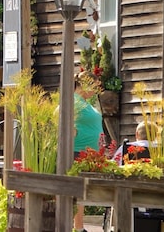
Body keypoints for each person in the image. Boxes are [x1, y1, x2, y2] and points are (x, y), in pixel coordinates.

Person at [73, 72, 104, 232]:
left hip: (88, 153)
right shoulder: (73, 100)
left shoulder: (85, 102)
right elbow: (59, 113)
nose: (95, 90)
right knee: (78, 190)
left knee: (82, 191)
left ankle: (79, 227)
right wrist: (72, 131)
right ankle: (78, 228)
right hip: (77, 151)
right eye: (94, 86)